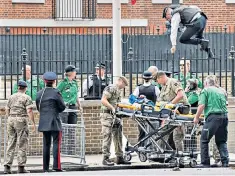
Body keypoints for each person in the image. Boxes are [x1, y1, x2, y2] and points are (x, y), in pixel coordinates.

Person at [193, 75, 229, 168]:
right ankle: (225, 162)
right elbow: (226, 103)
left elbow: (201, 105)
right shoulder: (222, 91)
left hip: (213, 117)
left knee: (204, 140)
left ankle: (205, 162)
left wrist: (196, 117)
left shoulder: (205, 90)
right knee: (221, 140)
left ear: (206, 83)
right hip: (224, 117)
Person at [36, 72, 66, 172]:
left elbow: (38, 107)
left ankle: (45, 168)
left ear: (44, 81)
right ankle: (56, 166)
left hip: (44, 121)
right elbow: (62, 106)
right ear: (54, 81)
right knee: (56, 143)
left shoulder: (40, 93)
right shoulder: (56, 92)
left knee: (46, 145)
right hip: (55, 121)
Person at [4, 80, 35, 174]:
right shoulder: (26, 97)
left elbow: (7, 109)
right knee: (22, 143)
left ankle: (7, 167)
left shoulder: (11, 97)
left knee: (11, 142)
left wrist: (10, 117)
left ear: (18, 87)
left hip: (11, 119)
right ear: (25, 88)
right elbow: (29, 110)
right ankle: (21, 167)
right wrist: (33, 122)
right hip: (21, 119)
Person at [156, 71, 190, 152]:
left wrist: (170, 104)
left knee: (180, 136)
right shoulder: (163, 87)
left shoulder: (173, 82)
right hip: (171, 113)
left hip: (181, 111)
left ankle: (182, 154)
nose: (157, 82)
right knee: (163, 132)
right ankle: (160, 153)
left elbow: (180, 95)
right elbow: (160, 101)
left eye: (157, 80)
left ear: (160, 77)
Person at [101, 76, 131, 166]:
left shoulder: (118, 91)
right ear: (120, 81)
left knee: (118, 136)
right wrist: (112, 108)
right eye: (123, 84)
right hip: (107, 115)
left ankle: (119, 157)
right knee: (107, 136)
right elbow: (103, 100)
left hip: (115, 116)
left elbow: (117, 103)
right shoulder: (111, 88)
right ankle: (105, 158)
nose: (123, 86)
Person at [132, 71, 160, 147]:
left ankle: (140, 148)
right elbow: (159, 100)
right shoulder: (155, 88)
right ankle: (152, 147)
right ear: (151, 79)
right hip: (153, 113)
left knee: (141, 132)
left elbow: (133, 100)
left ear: (143, 78)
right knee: (153, 132)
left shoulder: (138, 88)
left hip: (141, 113)